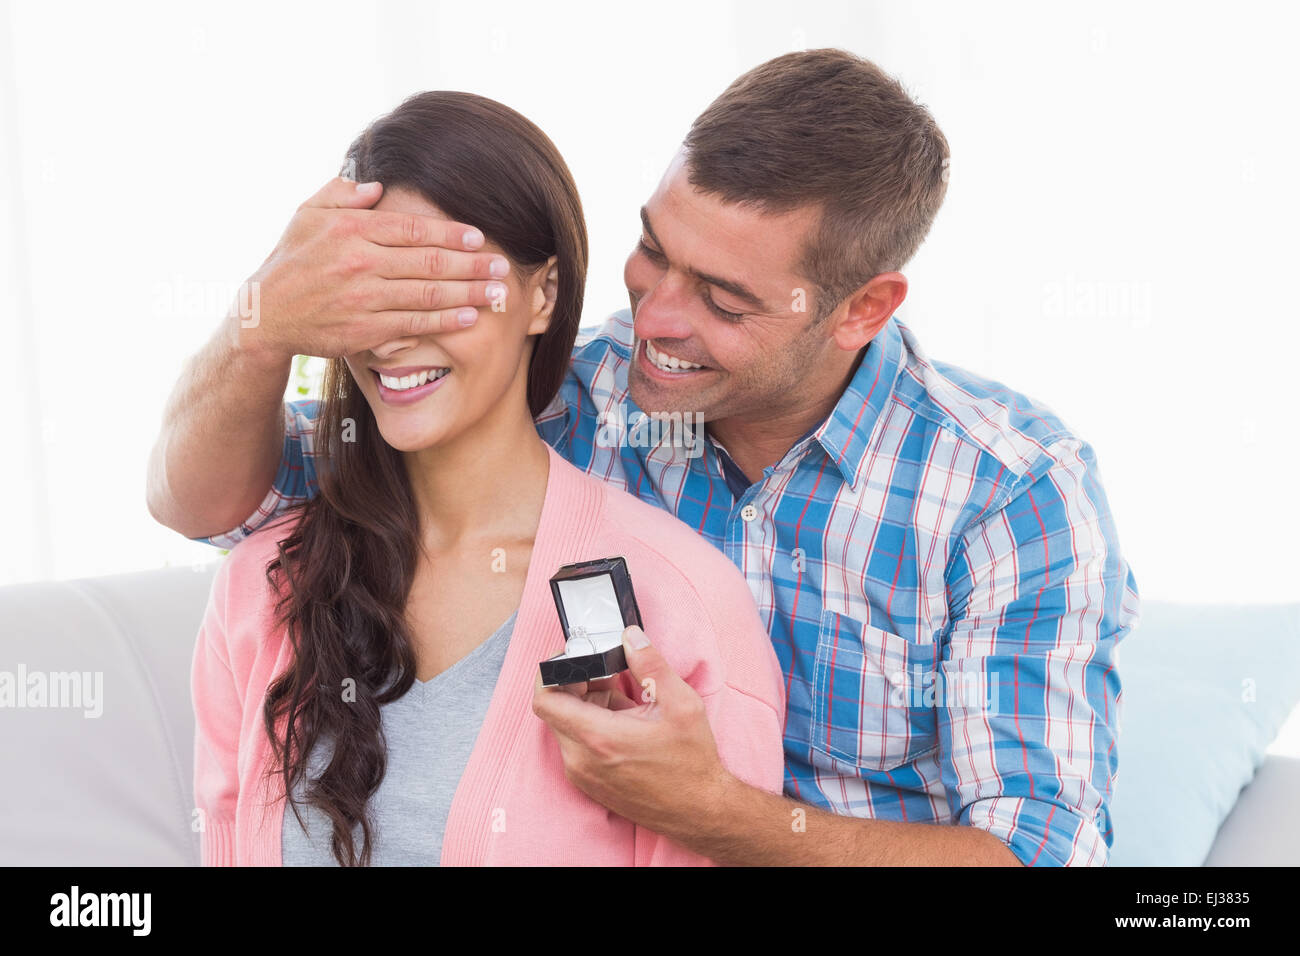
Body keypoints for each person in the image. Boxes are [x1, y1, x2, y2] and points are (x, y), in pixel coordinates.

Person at [159, 49, 1139, 867]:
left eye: (722, 298)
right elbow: (221, 506)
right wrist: (262, 321)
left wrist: (712, 808)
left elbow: (1039, 856)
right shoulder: (576, 395)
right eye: (653, 251)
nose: (656, 319)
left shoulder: (1005, 495)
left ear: (863, 310)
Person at [187, 90, 786, 867]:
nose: (394, 338)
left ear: (543, 294)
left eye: (436, 289)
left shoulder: (684, 607)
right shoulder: (261, 587)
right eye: (372, 292)